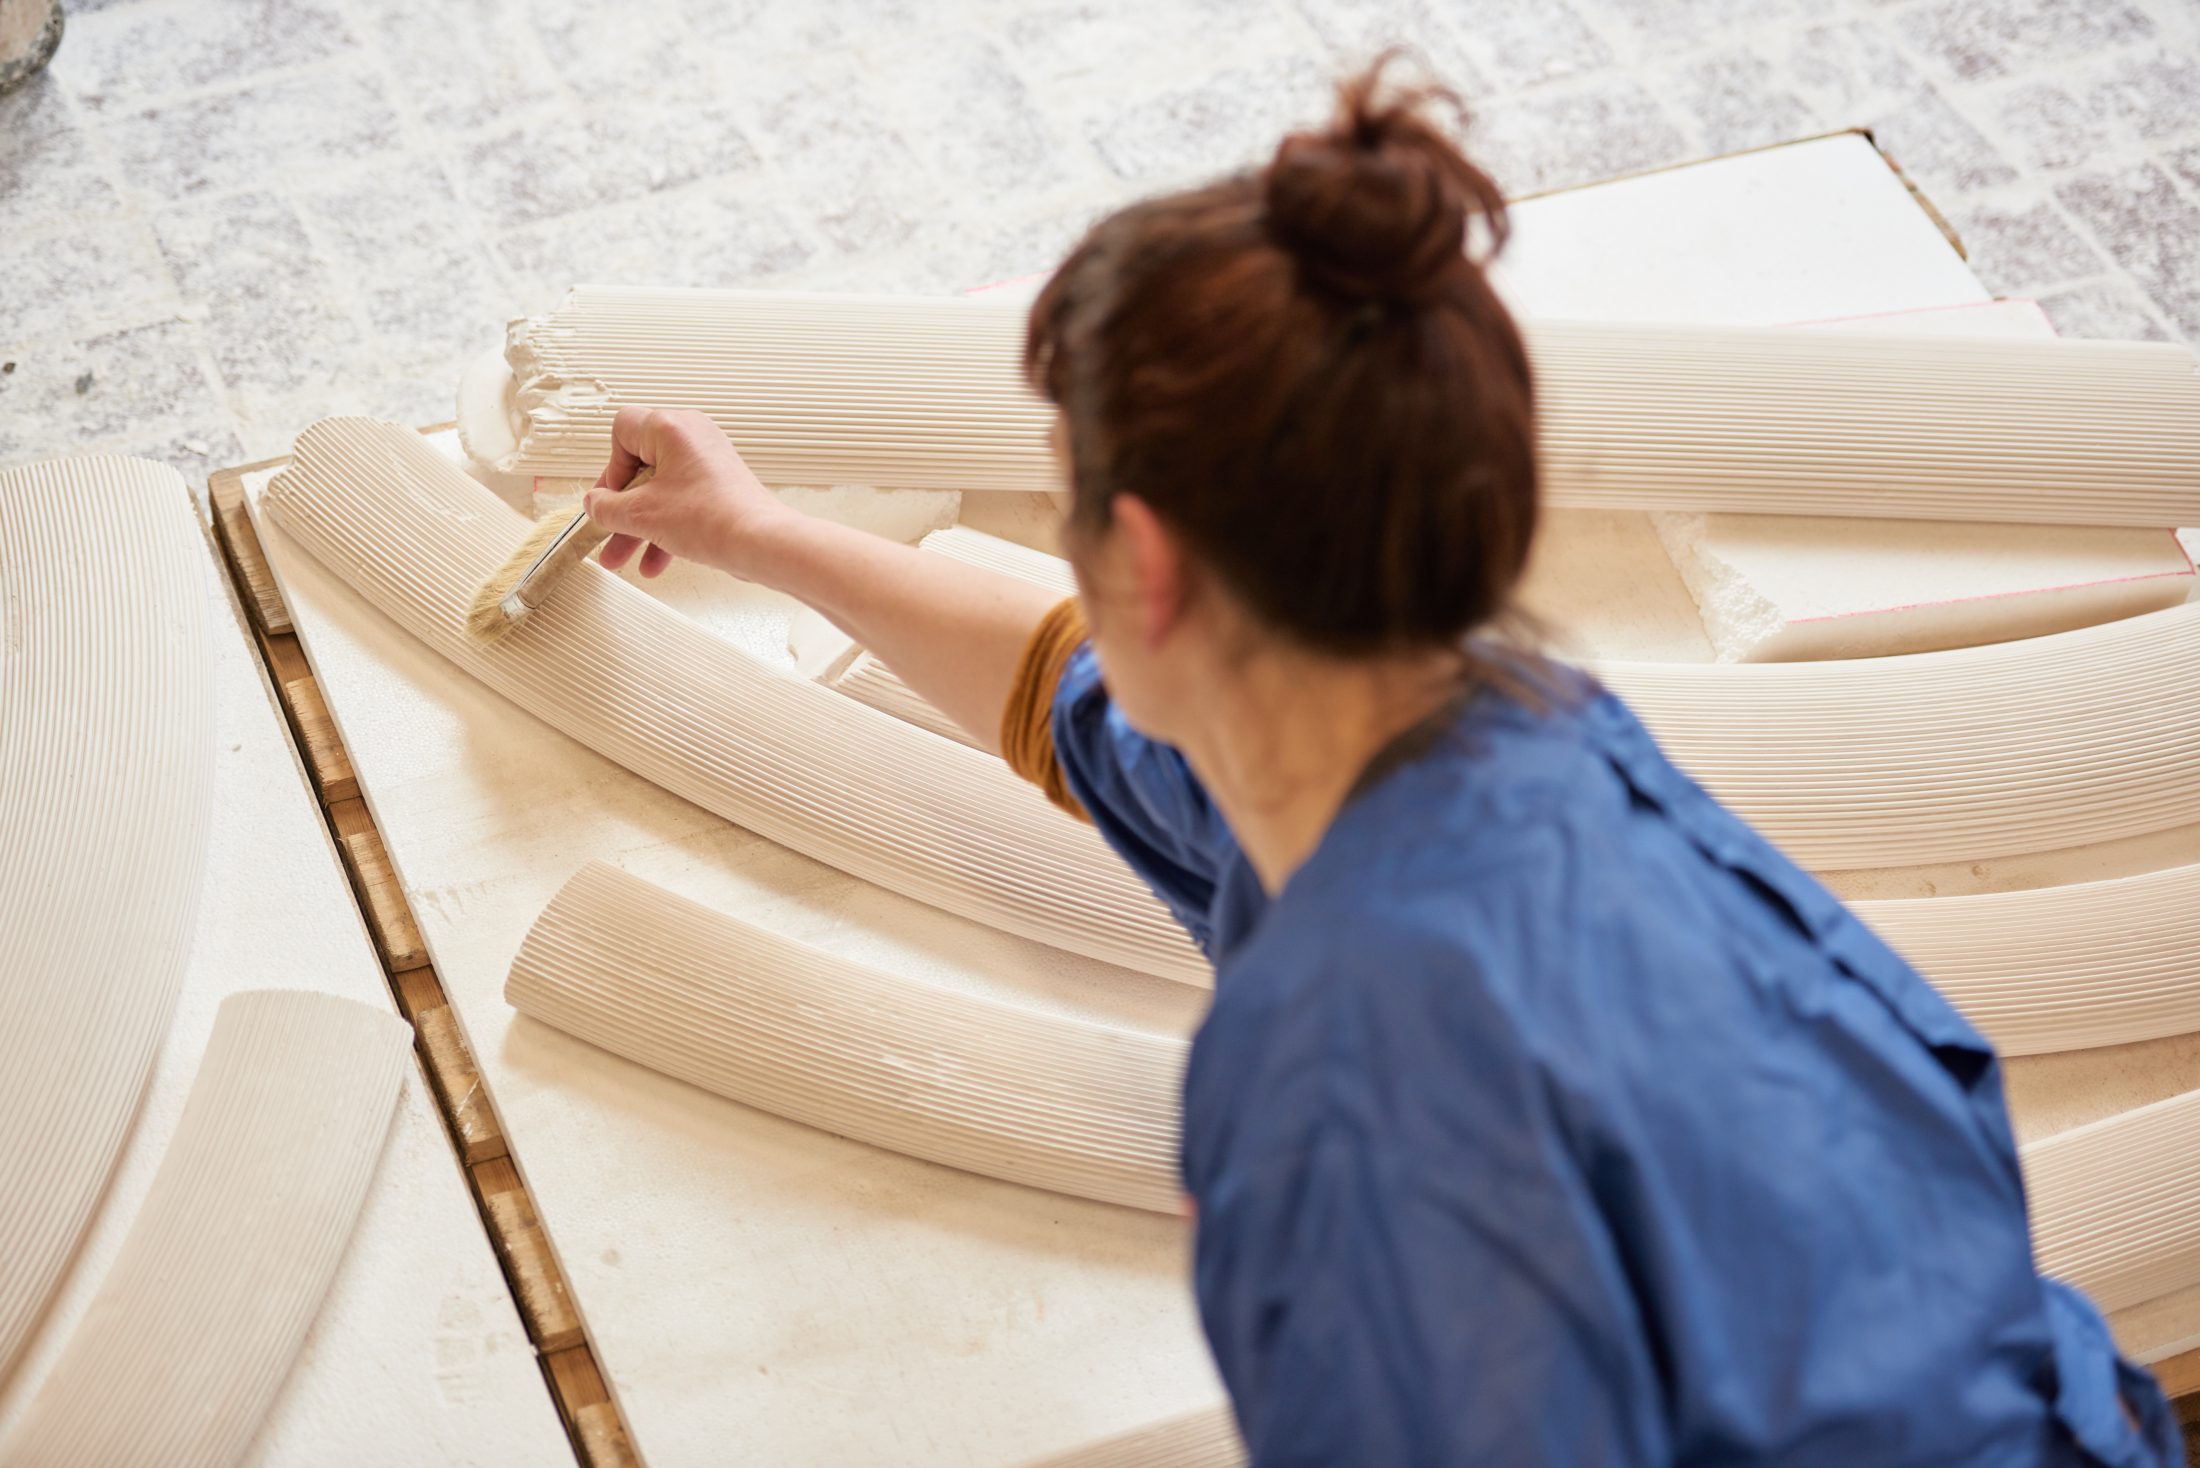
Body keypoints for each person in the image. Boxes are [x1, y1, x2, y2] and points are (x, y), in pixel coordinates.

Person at [575, 60, 2177, 1468]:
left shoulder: (1337, 1112)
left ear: (1147, 563)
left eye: (1061, 498)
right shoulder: (1499, 735)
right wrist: (761, 532)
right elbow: (1072, 695)